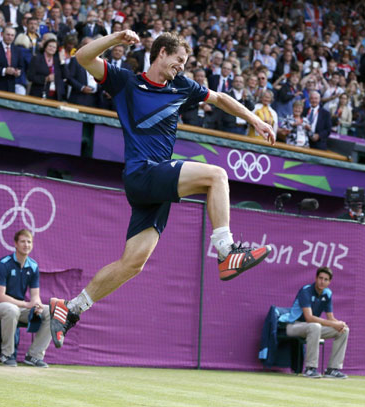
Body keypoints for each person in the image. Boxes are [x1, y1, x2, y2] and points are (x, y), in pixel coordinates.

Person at [47, 30, 275, 349]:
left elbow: (221, 99)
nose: (181, 67)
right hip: (144, 172)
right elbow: (83, 57)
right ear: (161, 53)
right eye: (178, 60)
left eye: (184, 62)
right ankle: (226, 251)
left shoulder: (181, 86)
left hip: (154, 186)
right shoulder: (125, 81)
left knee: (133, 264)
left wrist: (255, 119)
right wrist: (115, 39)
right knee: (217, 176)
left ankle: (70, 309)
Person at [0, 229, 51, 367]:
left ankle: (34, 356)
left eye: (29, 242)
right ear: (15, 244)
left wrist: (37, 305)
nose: (26, 245)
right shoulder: (3, 264)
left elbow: (35, 296)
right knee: (11, 310)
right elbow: (0, 296)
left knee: (51, 312)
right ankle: (7, 354)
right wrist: (25, 304)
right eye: (22, 241)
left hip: (20, 308)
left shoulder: (33, 266)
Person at [284, 267, 349, 379]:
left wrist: (339, 324)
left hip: (312, 328)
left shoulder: (327, 293)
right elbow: (309, 318)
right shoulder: (306, 291)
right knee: (315, 326)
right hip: (293, 326)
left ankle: (332, 370)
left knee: (344, 330)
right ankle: (310, 369)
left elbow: (330, 317)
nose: (322, 281)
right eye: (320, 278)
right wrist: (333, 324)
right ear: (316, 278)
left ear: (329, 282)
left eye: (326, 279)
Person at [0, 26, 23, 92]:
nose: (10, 37)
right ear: (2, 34)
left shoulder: (17, 50)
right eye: (8, 34)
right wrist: (4, 70)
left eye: (12, 35)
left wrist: (18, 72)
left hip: (10, 86)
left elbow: (21, 66)